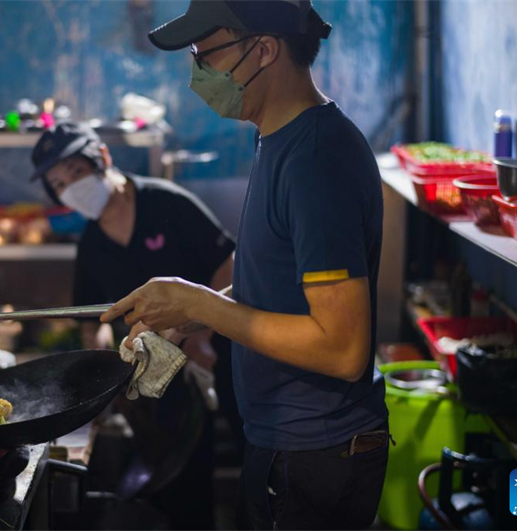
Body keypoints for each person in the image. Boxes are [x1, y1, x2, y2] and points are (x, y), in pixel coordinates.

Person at [100, 1, 391, 529]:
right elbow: (281, 286)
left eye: (205, 54)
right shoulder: (277, 140)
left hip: (317, 452)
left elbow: (342, 348)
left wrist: (201, 301)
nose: (197, 74)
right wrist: (198, 313)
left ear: (263, 49)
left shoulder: (316, 159)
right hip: (285, 441)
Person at [29, 121, 236, 529]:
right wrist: (105, 375)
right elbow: (94, 321)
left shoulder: (165, 202)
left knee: (217, 465)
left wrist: (205, 334)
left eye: (75, 172)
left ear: (103, 158)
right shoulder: (91, 244)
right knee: (168, 478)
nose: (70, 187)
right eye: (59, 184)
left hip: (213, 354)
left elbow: (229, 262)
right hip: (155, 374)